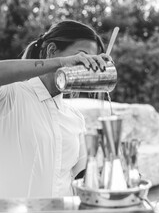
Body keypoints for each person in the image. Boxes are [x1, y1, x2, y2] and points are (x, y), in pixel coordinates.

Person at [0, 20, 113, 198]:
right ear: (52, 50)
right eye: (82, 56)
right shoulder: (10, 95)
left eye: (91, 60)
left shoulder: (75, 117)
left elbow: (82, 177)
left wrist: (113, 176)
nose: (86, 65)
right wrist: (60, 63)